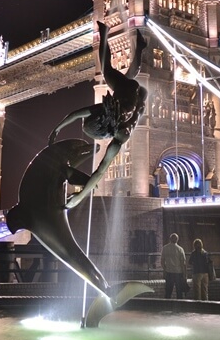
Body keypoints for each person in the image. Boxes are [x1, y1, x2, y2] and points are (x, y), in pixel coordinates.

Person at [49, 20, 148, 209]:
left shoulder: (119, 136)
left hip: (136, 95)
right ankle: (105, 32)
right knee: (107, 69)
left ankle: (136, 46)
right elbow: (76, 114)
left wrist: (78, 199)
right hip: (126, 91)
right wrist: (57, 129)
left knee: (121, 74)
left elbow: (99, 172)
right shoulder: (102, 112)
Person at [161, 233, 187, 299]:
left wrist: (165, 269)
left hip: (169, 272)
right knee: (179, 291)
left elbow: (162, 261)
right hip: (178, 272)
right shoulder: (180, 249)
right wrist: (184, 274)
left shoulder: (165, 248)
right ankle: (180, 306)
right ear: (177, 239)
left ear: (170, 239)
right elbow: (183, 263)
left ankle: (166, 306)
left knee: (168, 291)